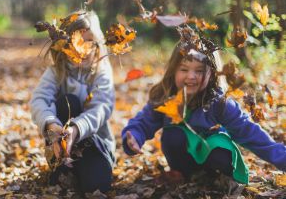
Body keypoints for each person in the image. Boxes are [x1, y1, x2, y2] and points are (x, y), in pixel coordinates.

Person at [122, 25, 286, 184]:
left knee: (219, 149)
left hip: (213, 158)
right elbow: (143, 122)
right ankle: (184, 175)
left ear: (212, 74)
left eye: (199, 71)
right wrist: (134, 136)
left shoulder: (219, 102)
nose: (191, 76)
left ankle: (215, 177)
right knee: (173, 135)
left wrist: (282, 159)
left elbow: (250, 132)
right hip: (182, 159)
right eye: (184, 69)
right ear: (173, 70)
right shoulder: (165, 96)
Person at [30, 10, 115, 193]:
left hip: (95, 145)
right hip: (60, 145)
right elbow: (39, 100)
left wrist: (76, 129)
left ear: (97, 43)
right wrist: (51, 125)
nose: (82, 48)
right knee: (68, 101)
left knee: (97, 187)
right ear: (63, 44)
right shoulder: (56, 72)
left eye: (89, 41)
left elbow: (101, 108)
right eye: (75, 41)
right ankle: (62, 168)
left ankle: (88, 171)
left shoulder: (101, 72)